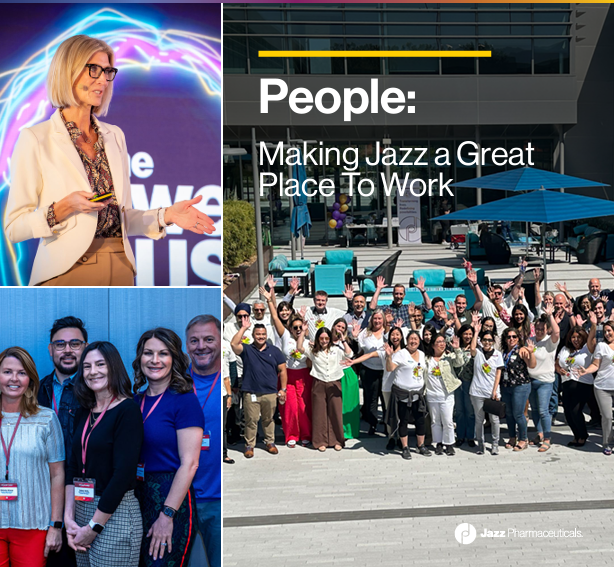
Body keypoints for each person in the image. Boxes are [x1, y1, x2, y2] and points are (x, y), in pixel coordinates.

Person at [6, 35, 215, 286]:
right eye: (94, 70)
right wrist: (63, 207)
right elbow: (14, 226)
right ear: (67, 71)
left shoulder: (114, 135)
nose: (103, 80)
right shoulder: (36, 139)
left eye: (107, 71)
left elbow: (123, 217)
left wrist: (166, 215)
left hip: (120, 265)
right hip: (66, 269)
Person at [65, 342, 143, 567]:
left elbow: (123, 475)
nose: (93, 372)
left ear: (114, 367)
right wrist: (69, 519)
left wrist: (95, 526)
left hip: (113, 513)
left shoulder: (127, 410)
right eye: (87, 366)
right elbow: (72, 467)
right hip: (81, 511)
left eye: (100, 364)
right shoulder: (84, 410)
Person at [132, 328, 203, 567]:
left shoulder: (184, 400)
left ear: (174, 358)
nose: (154, 360)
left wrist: (167, 515)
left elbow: (190, 463)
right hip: (137, 498)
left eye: (163, 353)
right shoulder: (134, 401)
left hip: (170, 498)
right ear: (139, 358)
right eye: (148, 353)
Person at [0, 347, 64, 566]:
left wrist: (55, 525)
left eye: (22, 373)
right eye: (7, 372)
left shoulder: (46, 418)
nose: (14, 379)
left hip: (32, 525)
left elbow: (57, 475)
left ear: (30, 379)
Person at [38, 316, 88, 567]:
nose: (67, 350)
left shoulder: (97, 391)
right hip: (41, 497)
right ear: (50, 350)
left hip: (87, 498)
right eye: (60, 344)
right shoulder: (34, 391)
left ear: (86, 347)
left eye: (75, 344)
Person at [185, 315, 223, 567]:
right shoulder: (173, 383)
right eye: (194, 340)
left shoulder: (233, 381)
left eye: (209, 339)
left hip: (219, 499)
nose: (201, 346)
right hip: (180, 501)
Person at [262, 287, 312, 447]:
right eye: (295, 327)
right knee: (289, 407)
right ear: (290, 328)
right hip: (287, 376)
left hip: (304, 376)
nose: (297, 330)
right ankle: (291, 434)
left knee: (304, 407)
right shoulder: (285, 335)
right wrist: (270, 300)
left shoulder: (307, 340)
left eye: (300, 327)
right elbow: (276, 317)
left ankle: (306, 434)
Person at [231, 322, 287, 458]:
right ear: (253, 335)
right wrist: (243, 327)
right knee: (251, 420)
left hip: (270, 392)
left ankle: (270, 442)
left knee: (268, 419)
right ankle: (249, 445)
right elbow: (233, 344)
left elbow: (283, 371)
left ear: (266, 335)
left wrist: (283, 389)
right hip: (251, 392)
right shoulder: (247, 350)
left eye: (263, 334)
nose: (260, 337)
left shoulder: (274, 351)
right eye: (258, 334)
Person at [297, 328, 352, 451]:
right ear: (317, 339)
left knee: (335, 412)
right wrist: (303, 332)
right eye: (321, 338)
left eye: (326, 338)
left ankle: (337, 440)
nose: (324, 341)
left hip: (334, 382)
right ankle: (320, 441)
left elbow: (349, 354)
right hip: (319, 382)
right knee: (319, 413)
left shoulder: (336, 350)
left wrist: (343, 340)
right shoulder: (313, 351)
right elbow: (300, 348)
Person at [385, 330, 431, 459]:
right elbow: (390, 368)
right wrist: (389, 356)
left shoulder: (422, 354)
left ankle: (420, 445)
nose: (413, 341)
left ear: (419, 341)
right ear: (406, 340)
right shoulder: (401, 354)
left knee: (420, 421)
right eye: (411, 339)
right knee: (403, 421)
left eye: (416, 339)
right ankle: (405, 447)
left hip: (418, 394)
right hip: (402, 394)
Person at [556, 324, 596, 448]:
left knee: (575, 410)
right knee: (567, 412)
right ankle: (576, 435)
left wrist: (594, 324)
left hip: (582, 383)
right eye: (573, 337)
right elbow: (556, 363)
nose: (576, 339)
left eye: (578, 337)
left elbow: (592, 338)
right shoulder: (565, 349)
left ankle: (583, 435)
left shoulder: (587, 348)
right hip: (567, 383)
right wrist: (559, 369)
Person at [577, 320, 614, 455]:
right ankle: (607, 443)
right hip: (603, 386)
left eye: (610, 330)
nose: (607, 333)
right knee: (607, 417)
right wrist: (586, 371)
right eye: (605, 331)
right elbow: (596, 364)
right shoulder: (601, 346)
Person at [527, 306, 560, 452]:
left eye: (542, 328)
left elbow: (557, 331)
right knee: (534, 410)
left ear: (546, 329)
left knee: (543, 410)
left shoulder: (550, 342)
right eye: (537, 328)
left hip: (545, 382)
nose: (540, 331)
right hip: (531, 380)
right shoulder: (531, 340)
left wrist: (550, 315)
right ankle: (539, 433)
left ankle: (547, 438)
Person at [469, 322, 504, 455]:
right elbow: (472, 348)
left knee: (494, 420)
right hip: (477, 392)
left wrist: (495, 391)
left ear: (493, 341)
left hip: (492, 392)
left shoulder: (497, 354)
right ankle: (480, 444)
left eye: (490, 340)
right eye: (485, 340)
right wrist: (476, 331)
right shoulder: (477, 352)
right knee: (479, 419)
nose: (487, 342)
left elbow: (498, 373)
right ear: (481, 341)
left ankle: (495, 444)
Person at [424, 334, 462, 456]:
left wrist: (457, 349)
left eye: (443, 341)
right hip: (431, 394)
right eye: (439, 341)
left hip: (447, 394)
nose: (442, 344)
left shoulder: (448, 357)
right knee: (435, 421)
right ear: (433, 344)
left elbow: (459, 363)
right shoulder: (426, 359)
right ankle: (438, 443)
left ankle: (449, 443)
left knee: (448, 420)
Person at [499, 327, 536, 451]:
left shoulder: (521, 350)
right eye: (509, 337)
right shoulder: (504, 352)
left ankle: (523, 439)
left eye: (514, 337)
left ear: (518, 338)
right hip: (506, 386)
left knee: (518, 414)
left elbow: (532, 365)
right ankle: (512, 437)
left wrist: (531, 352)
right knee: (508, 414)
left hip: (520, 386)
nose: (511, 339)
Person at [356, 310, 386, 435]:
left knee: (385, 399)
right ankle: (372, 424)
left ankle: (386, 424)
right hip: (369, 370)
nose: (377, 321)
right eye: (375, 318)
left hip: (385, 371)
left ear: (383, 319)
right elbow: (361, 352)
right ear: (371, 320)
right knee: (371, 399)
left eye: (380, 318)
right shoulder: (364, 334)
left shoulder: (387, 333)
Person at [331, 319, 361, 440]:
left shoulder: (346, 342)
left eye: (343, 328)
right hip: (333, 374)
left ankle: (349, 431)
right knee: (336, 405)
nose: (340, 329)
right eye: (338, 326)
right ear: (333, 326)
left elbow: (351, 354)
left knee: (348, 405)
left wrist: (343, 340)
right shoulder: (326, 340)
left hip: (347, 374)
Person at [451, 324, 476, 448]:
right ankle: (460, 436)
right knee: (459, 411)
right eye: (465, 333)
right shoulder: (455, 346)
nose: (468, 336)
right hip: (457, 383)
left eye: (470, 334)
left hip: (470, 383)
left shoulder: (475, 348)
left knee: (470, 411)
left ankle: (471, 436)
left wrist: (476, 331)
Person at [222, 339, 236, 464]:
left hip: (222, 395)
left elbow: (226, 378)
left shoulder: (224, 349)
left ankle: (224, 454)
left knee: (223, 427)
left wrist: (229, 396)